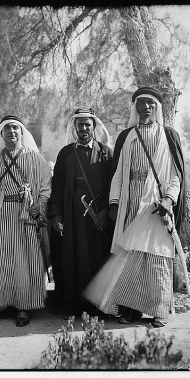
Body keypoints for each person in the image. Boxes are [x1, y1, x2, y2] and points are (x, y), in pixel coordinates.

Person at [82, 86, 185, 328]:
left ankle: (160, 310)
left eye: (151, 103)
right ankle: (132, 309)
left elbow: (174, 176)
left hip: (155, 206)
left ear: (157, 108)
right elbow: (117, 174)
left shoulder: (168, 135)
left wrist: (169, 199)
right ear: (135, 107)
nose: (146, 107)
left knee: (156, 257)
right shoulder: (126, 136)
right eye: (142, 103)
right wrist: (115, 203)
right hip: (130, 205)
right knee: (131, 259)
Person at [48, 108, 114, 319]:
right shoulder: (66, 153)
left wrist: (105, 211)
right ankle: (73, 305)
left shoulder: (106, 152)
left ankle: (96, 305)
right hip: (72, 213)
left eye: (88, 124)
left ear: (94, 127)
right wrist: (56, 215)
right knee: (72, 257)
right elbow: (57, 186)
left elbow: (112, 185)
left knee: (96, 257)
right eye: (80, 125)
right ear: (74, 127)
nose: (84, 129)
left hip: (97, 217)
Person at [0, 115, 52, 327]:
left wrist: (39, 205)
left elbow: (46, 187)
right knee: (3, 259)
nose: (12, 132)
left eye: (15, 128)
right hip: (1, 214)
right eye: (7, 129)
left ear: (21, 132)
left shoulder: (35, 158)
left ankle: (24, 306)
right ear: (1, 134)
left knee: (25, 260)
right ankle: (6, 302)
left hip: (25, 215)